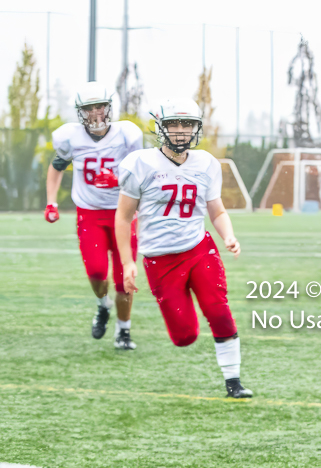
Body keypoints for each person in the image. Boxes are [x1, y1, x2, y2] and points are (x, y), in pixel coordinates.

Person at [115, 99, 252, 398]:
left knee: (219, 311)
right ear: (161, 128)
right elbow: (123, 218)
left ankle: (234, 381)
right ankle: (215, 359)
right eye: (173, 124)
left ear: (196, 128)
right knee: (185, 336)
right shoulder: (140, 164)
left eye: (186, 124)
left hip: (199, 248)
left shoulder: (205, 164)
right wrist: (128, 262)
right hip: (160, 260)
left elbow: (216, 211)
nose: (180, 131)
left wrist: (229, 236)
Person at [45, 81, 143, 349]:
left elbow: (140, 173)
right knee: (97, 271)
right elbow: (57, 167)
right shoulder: (70, 137)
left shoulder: (127, 135)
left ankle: (124, 331)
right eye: (89, 108)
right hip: (89, 213)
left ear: (109, 107)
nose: (96, 113)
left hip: (123, 212)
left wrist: (118, 179)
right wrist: (51, 202)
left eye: (100, 106)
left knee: (125, 278)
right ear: (80, 112)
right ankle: (103, 305)